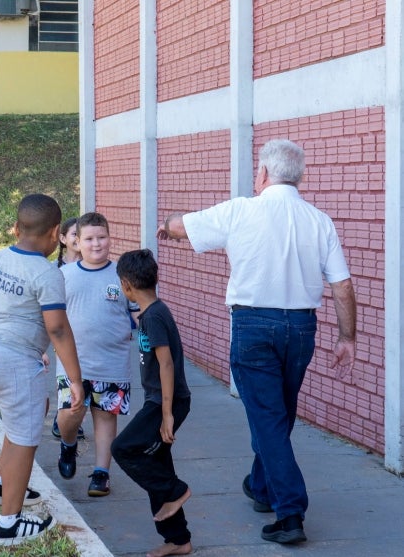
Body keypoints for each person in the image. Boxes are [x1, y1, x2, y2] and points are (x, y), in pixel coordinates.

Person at [157, 138, 357, 545]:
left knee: (268, 416)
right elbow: (342, 285)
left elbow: (180, 226)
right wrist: (347, 337)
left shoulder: (240, 210)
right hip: (301, 328)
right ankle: (260, 486)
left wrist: (170, 226)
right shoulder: (320, 220)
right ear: (298, 176)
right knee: (277, 414)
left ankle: (291, 513)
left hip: (253, 325)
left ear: (263, 173)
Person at [0, 193, 84, 546]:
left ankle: (1, 483)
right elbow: (58, 329)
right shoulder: (48, 274)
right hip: (13, 362)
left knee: (28, 414)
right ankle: (9, 524)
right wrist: (75, 380)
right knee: (24, 440)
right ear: (54, 235)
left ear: (17, 228)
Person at [112, 249, 192, 557]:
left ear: (126, 285)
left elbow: (167, 364)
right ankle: (178, 540)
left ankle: (176, 490)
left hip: (165, 402)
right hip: (160, 400)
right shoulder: (150, 313)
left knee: (124, 448)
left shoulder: (155, 316)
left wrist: (167, 414)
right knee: (156, 461)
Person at [54, 212, 132, 498]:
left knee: (105, 417)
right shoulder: (63, 276)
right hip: (73, 364)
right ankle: (68, 443)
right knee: (69, 413)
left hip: (112, 363)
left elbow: (138, 311)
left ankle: (101, 473)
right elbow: (49, 320)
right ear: (77, 241)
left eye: (101, 237)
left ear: (110, 238)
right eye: (89, 239)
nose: (96, 244)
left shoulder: (123, 275)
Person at [51, 217, 85, 439]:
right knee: (66, 374)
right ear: (62, 238)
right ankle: (63, 417)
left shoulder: (92, 266)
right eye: (74, 234)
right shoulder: (54, 270)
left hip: (85, 333)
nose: (78, 239)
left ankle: (72, 418)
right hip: (61, 331)